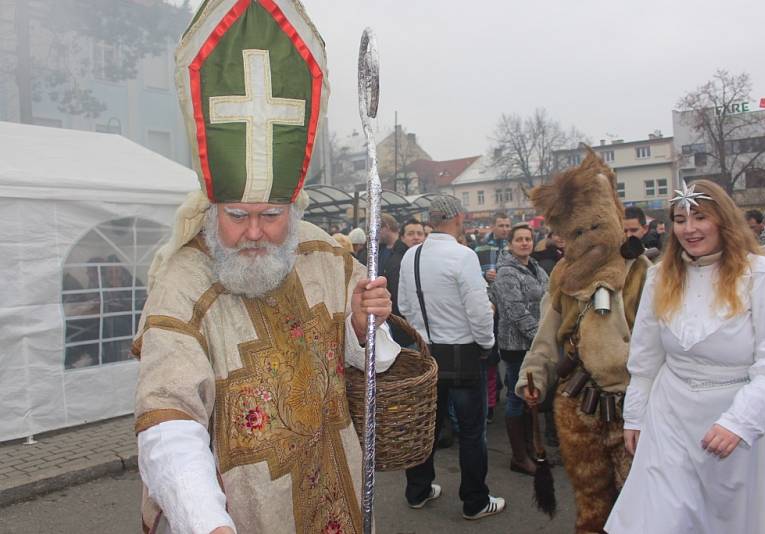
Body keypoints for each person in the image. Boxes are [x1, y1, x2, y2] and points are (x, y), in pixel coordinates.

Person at [133, 3, 400, 533]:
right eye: (237, 216)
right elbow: (170, 415)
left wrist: (361, 327)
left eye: (271, 215)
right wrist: (209, 522)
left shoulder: (324, 255)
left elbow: (374, 359)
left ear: (295, 210)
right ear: (212, 210)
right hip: (242, 511)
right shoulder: (183, 283)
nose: (254, 232)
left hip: (335, 490)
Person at [606, 179, 765, 533]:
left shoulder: (760, 274)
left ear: (723, 220)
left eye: (700, 217)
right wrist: (634, 416)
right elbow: (646, 357)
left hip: (740, 419)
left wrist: (738, 422)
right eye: (680, 219)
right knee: (660, 519)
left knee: (738, 520)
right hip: (671, 418)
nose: (689, 229)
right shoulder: (659, 276)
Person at [516, 150, 650, 533]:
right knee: (591, 505)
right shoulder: (563, 274)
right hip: (576, 403)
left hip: (632, 407)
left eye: (593, 227)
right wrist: (534, 377)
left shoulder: (640, 270)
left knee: (636, 501)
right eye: (576, 233)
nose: (587, 239)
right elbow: (545, 334)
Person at [398, 195, 505, 520]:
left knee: (426, 427)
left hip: (426, 353)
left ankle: (418, 489)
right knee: (472, 432)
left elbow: (403, 305)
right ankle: (475, 500)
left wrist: (423, 333)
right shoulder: (463, 256)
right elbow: (478, 309)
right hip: (462, 352)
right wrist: (486, 343)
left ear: (431, 220)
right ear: (458, 217)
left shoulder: (411, 256)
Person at [489, 223, 548, 476]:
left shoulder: (534, 266)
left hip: (534, 343)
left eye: (528, 239)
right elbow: (514, 310)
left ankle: (531, 448)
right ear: (510, 244)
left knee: (529, 397)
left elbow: (548, 295)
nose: (525, 243)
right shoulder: (506, 272)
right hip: (516, 344)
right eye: (519, 239)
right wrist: (539, 336)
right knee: (516, 396)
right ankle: (519, 457)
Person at [474, 212, 512, 422]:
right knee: (490, 355)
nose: (505, 228)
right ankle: (490, 399)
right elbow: (472, 273)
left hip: (508, 305)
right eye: (501, 225)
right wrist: (484, 275)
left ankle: (501, 389)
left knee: (505, 353)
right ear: (493, 226)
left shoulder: (511, 247)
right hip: (489, 306)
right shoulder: (480, 248)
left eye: (507, 225)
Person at [384, 218, 425, 346]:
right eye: (411, 234)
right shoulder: (399, 260)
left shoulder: (416, 257)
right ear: (402, 238)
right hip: (406, 332)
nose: (416, 237)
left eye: (419, 233)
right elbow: (400, 300)